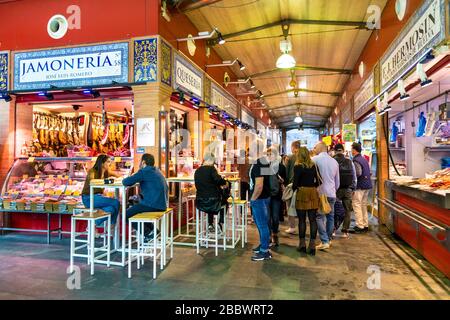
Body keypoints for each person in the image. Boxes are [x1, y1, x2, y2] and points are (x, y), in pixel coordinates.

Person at [123, 153, 168, 240]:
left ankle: (148, 233)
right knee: (138, 209)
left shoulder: (144, 171)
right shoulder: (157, 171)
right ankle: (154, 231)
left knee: (126, 214)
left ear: (143, 162)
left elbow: (126, 182)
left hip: (152, 204)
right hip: (162, 204)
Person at [81, 154, 120, 233]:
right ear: (102, 163)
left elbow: (118, 176)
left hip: (97, 197)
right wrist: (105, 181)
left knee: (111, 209)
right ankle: (112, 226)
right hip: (88, 198)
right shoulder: (93, 171)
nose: (110, 164)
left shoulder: (106, 172)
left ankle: (93, 224)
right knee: (116, 202)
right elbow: (92, 181)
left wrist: (117, 178)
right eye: (108, 162)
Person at [292, 147, 320, 256]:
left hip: (302, 192)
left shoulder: (298, 167)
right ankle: (312, 246)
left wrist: (295, 188)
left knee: (302, 220)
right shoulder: (313, 165)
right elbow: (318, 181)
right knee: (313, 220)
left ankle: (302, 244)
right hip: (312, 192)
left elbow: (295, 183)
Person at [312, 142, 340, 250]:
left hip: (320, 193)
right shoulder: (334, 162)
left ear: (320, 148)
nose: (314, 149)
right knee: (330, 217)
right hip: (332, 193)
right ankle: (328, 239)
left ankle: (324, 240)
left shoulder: (314, 160)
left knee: (319, 217)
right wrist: (333, 190)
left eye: (316, 147)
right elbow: (337, 182)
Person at [194, 154, 227, 235]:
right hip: (213, 202)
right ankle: (220, 223)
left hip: (200, 202)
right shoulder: (211, 169)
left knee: (210, 204)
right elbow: (219, 180)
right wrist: (225, 181)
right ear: (211, 160)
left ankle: (210, 224)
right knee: (225, 202)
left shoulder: (197, 171)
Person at [249, 151, 272, 261]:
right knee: (261, 224)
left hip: (259, 199)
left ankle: (264, 251)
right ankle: (263, 245)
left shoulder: (259, 163)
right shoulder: (263, 162)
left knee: (262, 225)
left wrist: (253, 199)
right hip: (263, 198)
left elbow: (259, 185)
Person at [333, 144, 357, 238]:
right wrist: (353, 188)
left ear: (335, 151)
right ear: (343, 151)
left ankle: (334, 229)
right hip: (348, 189)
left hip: (336, 190)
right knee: (347, 210)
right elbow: (354, 176)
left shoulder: (332, 161)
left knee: (335, 209)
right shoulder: (349, 161)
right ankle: (345, 231)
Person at [351, 142, 373, 233]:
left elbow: (358, 173)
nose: (351, 150)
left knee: (356, 204)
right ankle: (365, 224)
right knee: (363, 205)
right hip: (367, 184)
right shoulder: (363, 159)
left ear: (354, 150)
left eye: (352, 149)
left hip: (360, 185)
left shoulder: (356, 160)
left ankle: (360, 225)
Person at [267, 146, 286, 247]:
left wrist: (281, 180)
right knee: (268, 217)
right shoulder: (265, 166)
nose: (270, 156)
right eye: (268, 154)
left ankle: (275, 234)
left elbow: (285, 180)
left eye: (272, 154)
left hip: (277, 195)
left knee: (275, 217)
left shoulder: (281, 167)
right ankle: (269, 236)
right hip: (266, 195)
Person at [284, 140, 301, 234]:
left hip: (291, 185)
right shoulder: (304, 157)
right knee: (300, 207)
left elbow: (286, 172)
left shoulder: (289, 157)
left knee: (290, 206)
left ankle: (292, 226)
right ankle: (302, 226)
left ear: (293, 147)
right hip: (302, 185)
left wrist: (285, 184)